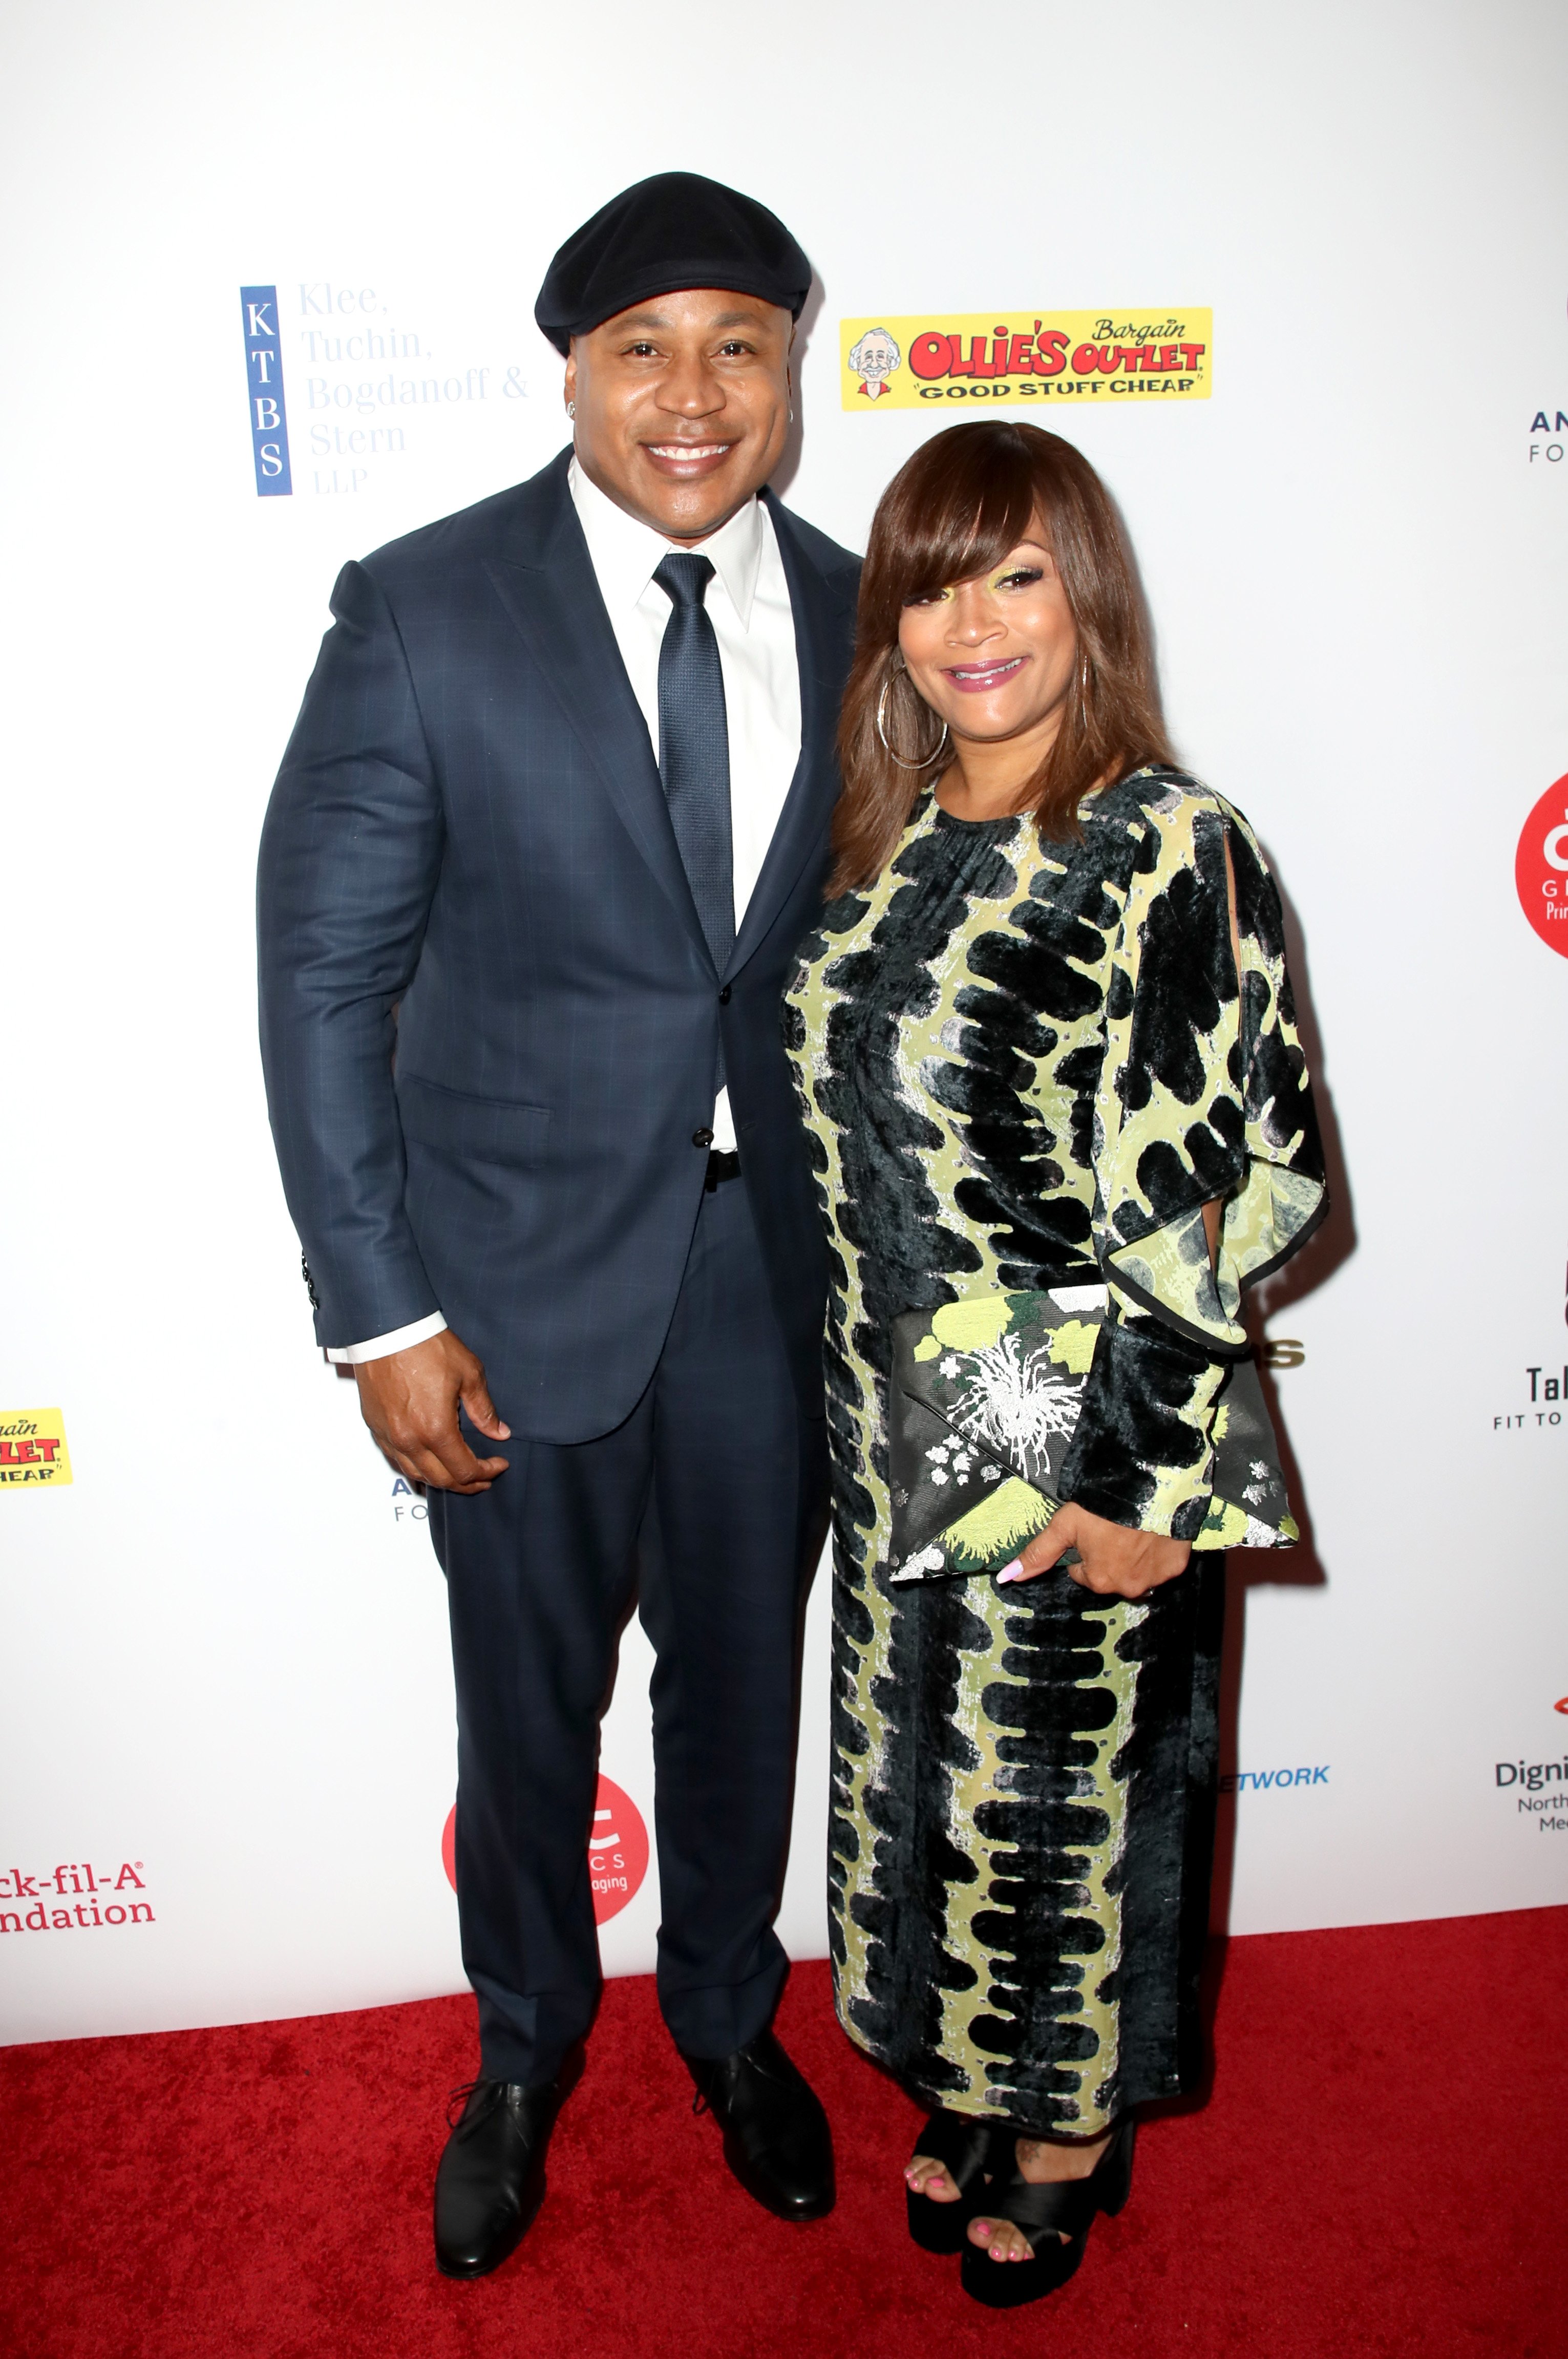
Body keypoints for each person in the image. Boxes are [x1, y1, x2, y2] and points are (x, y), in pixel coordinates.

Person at [258, 172, 861, 2279]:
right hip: (504, 1284)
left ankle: (724, 2021)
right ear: (572, 371)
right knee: (522, 1709)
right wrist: (378, 1312)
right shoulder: (422, 607)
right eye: (642, 350)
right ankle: (521, 2049)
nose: (692, 397)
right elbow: (323, 980)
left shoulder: (877, 612)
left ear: (792, 371)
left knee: (742, 1690)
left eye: (740, 347)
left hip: (770, 1280)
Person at [783, 418, 1326, 2307]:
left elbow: (1252, 1185)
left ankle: (1069, 2129)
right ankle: (976, 2075)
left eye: (1015, 572)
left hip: (1061, 1402)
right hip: (893, 1417)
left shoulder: (1169, 843)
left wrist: (1142, 1483)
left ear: (1085, 594)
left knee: (1065, 1800)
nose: (969, 622)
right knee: (937, 1788)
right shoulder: (892, 829)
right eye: (929, 581)